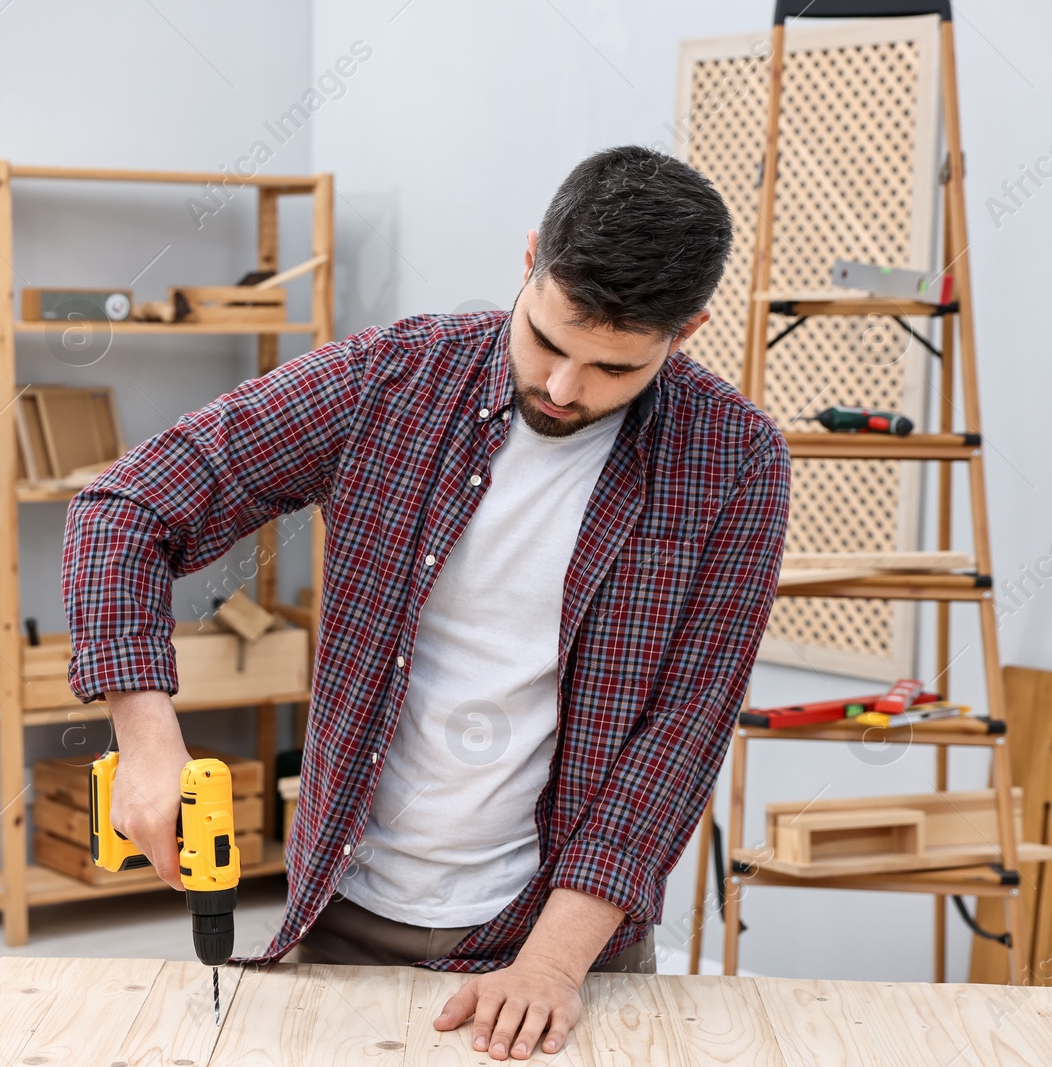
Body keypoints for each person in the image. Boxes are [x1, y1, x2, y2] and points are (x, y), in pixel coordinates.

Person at [60, 144, 790, 1061]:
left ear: (687, 330)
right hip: (344, 914)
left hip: (564, 944)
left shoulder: (734, 461)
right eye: (549, 341)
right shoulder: (394, 382)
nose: (564, 390)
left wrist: (553, 967)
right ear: (530, 261)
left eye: (613, 369)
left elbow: (681, 731)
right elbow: (128, 507)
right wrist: (147, 740)